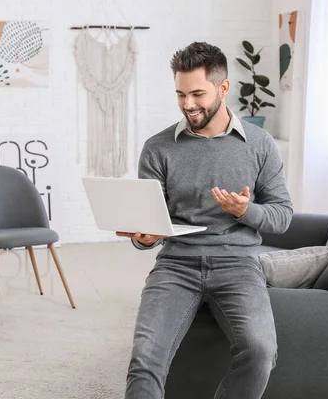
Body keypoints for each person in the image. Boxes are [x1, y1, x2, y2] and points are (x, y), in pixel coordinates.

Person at [117, 41, 293, 399]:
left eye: (197, 93)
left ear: (223, 87)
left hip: (239, 265)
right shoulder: (158, 147)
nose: (188, 105)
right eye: (180, 94)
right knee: (144, 360)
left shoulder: (259, 144)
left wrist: (246, 211)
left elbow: (283, 217)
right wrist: (144, 237)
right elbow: (147, 224)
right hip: (176, 265)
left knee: (260, 352)